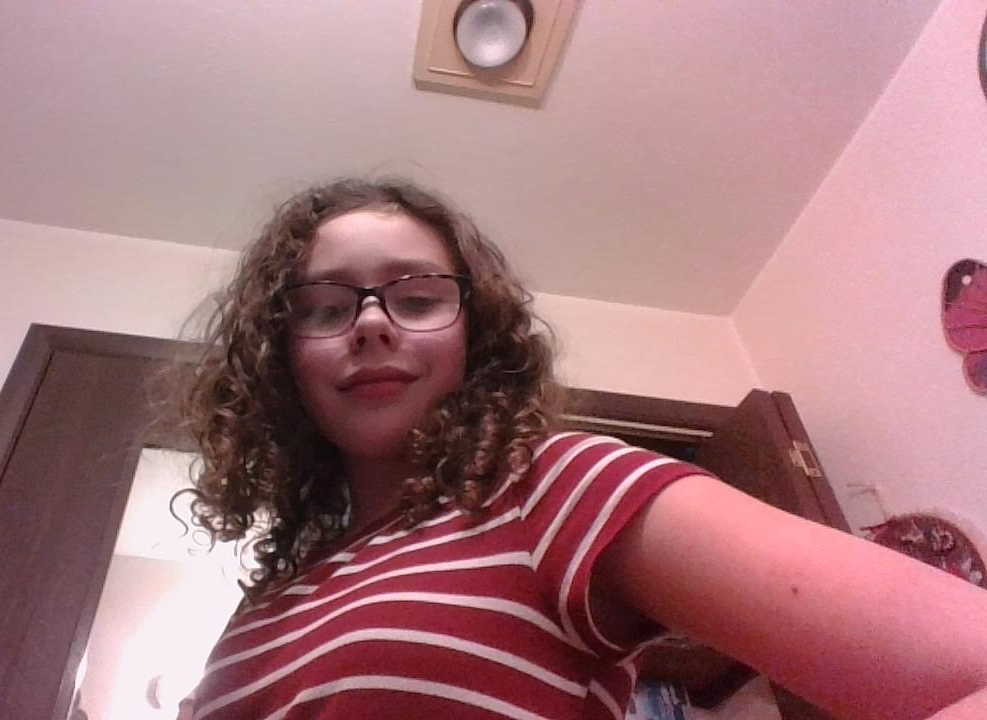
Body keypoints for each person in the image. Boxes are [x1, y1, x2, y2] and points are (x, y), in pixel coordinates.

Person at [176, 178, 987, 719]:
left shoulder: (553, 488)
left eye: (417, 298)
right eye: (324, 308)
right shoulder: (266, 603)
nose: (371, 323)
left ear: (474, 340)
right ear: (282, 359)